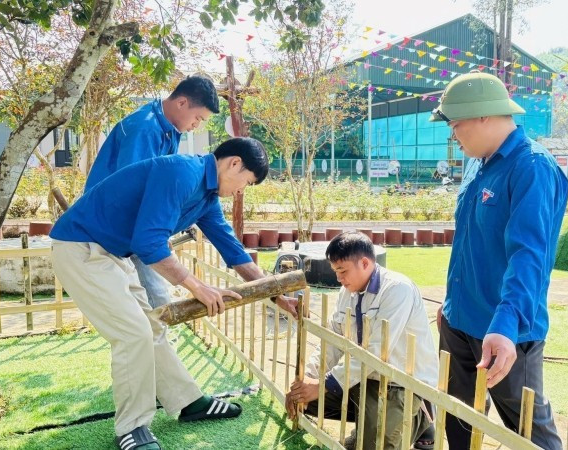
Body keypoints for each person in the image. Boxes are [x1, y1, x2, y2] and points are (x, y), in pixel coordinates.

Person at [50, 138, 297, 450]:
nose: (241, 190)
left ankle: (188, 402)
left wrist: (276, 295)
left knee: (152, 328)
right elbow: (148, 243)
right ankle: (132, 428)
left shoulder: (205, 197)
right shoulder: (182, 173)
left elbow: (233, 251)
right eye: (246, 182)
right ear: (234, 163)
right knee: (133, 334)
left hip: (112, 255)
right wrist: (198, 287)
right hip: (81, 248)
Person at [429, 71, 568, 450]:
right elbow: (471, 243)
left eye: (456, 126)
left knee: (527, 433)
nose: (453, 137)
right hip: (460, 320)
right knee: (459, 421)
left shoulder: (533, 167)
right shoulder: (477, 163)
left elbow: (529, 256)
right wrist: (452, 302)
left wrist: (506, 325)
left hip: (505, 331)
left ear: (484, 116)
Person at [285, 232, 438, 450]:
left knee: (373, 447)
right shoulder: (347, 291)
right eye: (335, 271)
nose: (339, 278)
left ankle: (419, 419)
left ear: (365, 263)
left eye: (343, 271)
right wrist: (308, 378)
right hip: (360, 376)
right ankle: (369, 421)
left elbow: (374, 354)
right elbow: (333, 340)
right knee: (306, 400)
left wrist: (323, 384)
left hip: (396, 383)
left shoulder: (397, 290)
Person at [85, 74, 219, 309]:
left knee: (150, 303)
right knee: (157, 301)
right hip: (114, 223)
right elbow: (132, 188)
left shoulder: (168, 130)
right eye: (198, 118)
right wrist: (153, 234)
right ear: (181, 103)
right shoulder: (145, 128)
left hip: (127, 225)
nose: (197, 126)